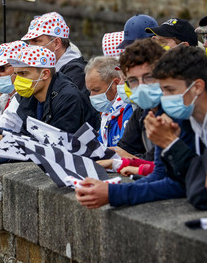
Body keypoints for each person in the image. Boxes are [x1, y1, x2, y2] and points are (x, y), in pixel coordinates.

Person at [76, 39, 194, 209]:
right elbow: (161, 171)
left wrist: (113, 192)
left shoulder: (177, 111)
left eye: (148, 77)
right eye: (133, 81)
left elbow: (180, 182)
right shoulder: (150, 111)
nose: (142, 87)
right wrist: (118, 171)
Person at [0, 45, 100, 153]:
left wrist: (8, 140)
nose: (18, 80)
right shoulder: (28, 95)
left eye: (24, 74)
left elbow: (59, 146)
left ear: (45, 74)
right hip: (39, 151)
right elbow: (26, 133)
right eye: (17, 74)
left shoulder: (68, 97)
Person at [145, 46, 207, 209]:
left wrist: (171, 144)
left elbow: (199, 194)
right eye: (162, 91)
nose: (164, 98)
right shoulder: (191, 122)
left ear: (197, 87)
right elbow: (182, 181)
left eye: (170, 90)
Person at [21, 12, 88, 92]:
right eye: (29, 42)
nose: (30, 48)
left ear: (56, 43)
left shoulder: (76, 72)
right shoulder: (46, 68)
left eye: (36, 41)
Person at [85, 56, 133, 147]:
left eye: (96, 90)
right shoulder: (108, 114)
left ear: (115, 84)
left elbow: (125, 153)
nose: (92, 96)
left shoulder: (129, 110)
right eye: (89, 91)